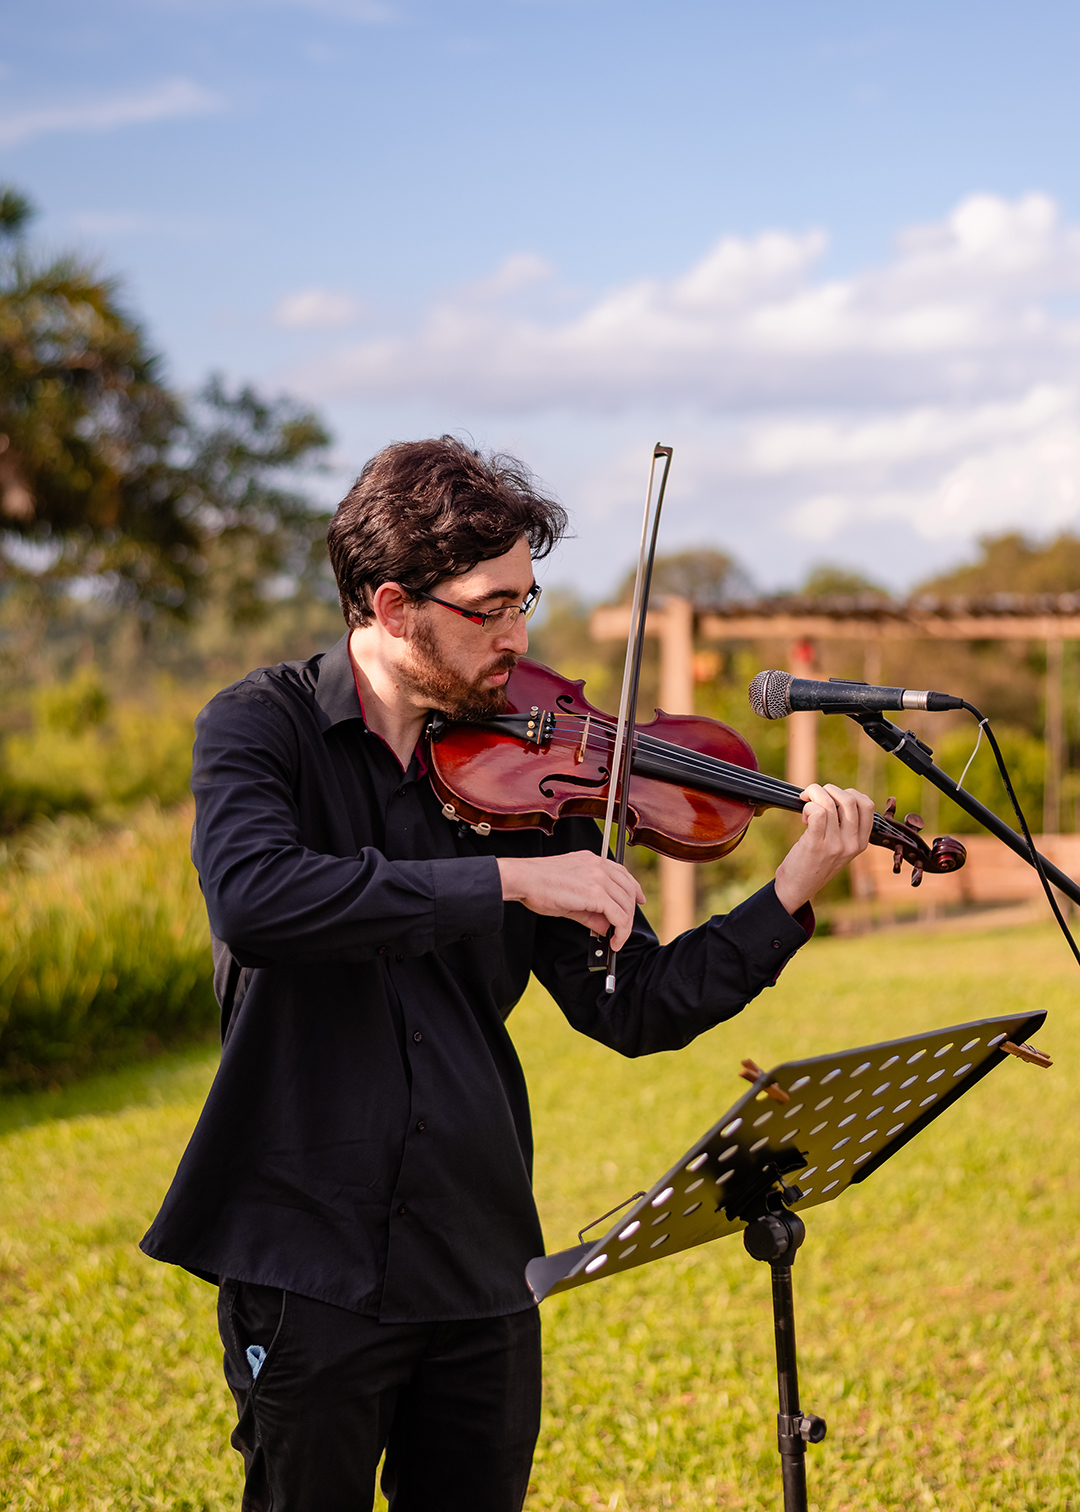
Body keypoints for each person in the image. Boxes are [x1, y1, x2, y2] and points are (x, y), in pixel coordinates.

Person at [141, 436, 874, 1512]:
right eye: (490, 607)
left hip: (479, 1260)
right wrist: (506, 884)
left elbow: (634, 1006)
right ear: (392, 608)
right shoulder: (262, 730)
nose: (518, 636)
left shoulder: (536, 774)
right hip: (306, 1255)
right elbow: (262, 901)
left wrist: (790, 894)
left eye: (527, 600)